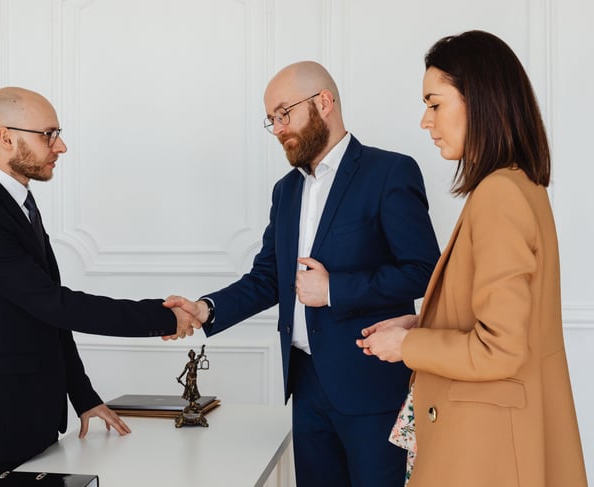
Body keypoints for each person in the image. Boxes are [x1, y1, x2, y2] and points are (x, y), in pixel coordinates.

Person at [166, 61, 441, 486]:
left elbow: (423, 271)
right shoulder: (286, 190)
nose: (277, 128)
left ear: (323, 103)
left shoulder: (390, 172)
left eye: (283, 113)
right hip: (305, 385)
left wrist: (335, 290)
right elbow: (268, 278)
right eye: (271, 119)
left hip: (371, 386)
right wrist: (206, 309)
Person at [356, 30, 588, 487]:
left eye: (435, 103)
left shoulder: (500, 195)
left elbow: (500, 348)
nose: (426, 121)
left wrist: (409, 347)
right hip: (493, 441)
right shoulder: (520, 186)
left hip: (486, 452)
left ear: (480, 100)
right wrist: (420, 325)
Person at [0, 87, 197, 474]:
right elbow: (56, 304)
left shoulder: (16, 203)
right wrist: (163, 316)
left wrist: (84, 396)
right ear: (6, 137)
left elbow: (47, 317)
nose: (61, 147)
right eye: (48, 135)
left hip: (30, 427)